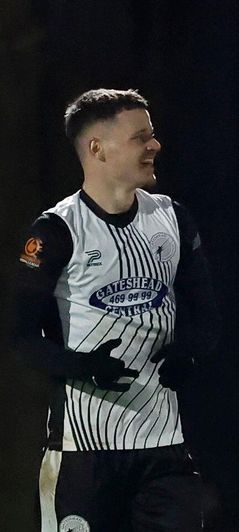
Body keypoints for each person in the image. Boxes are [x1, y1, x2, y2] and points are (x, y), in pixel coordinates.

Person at [11, 89, 219, 531]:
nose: (155, 145)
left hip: (164, 450)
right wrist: (82, 366)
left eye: (153, 135)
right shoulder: (56, 231)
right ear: (97, 149)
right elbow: (19, 336)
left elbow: (207, 317)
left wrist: (191, 352)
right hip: (83, 453)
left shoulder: (173, 218)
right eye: (140, 137)